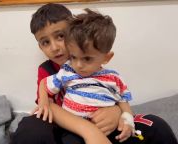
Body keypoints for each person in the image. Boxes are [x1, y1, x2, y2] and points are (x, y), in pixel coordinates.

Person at [11, 3, 178, 144]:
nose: (54, 47)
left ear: (74, 33)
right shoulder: (47, 70)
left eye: (60, 36)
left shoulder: (97, 63)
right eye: (45, 42)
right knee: (31, 128)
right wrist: (88, 130)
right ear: (40, 47)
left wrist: (118, 113)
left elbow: (118, 95)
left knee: (156, 125)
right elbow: (46, 104)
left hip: (103, 122)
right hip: (67, 127)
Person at [38, 8, 138, 143]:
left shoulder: (114, 78)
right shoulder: (67, 71)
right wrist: (43, 102)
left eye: (87, 59)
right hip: (72, 130)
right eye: (73, 57)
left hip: (106, 127)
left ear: (106, 58)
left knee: (155, 127)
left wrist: (126, 118)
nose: (78, 65)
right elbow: (44, 84)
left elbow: (123, 100)